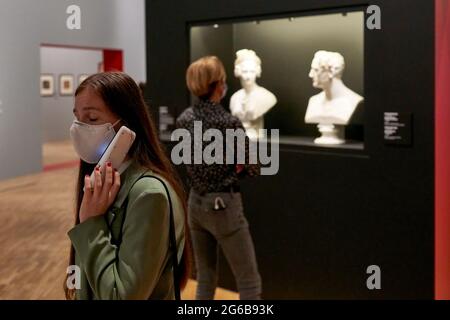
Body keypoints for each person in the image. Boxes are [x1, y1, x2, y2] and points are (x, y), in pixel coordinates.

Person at [64, 72, 190, 300]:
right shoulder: (103, 184)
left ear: (126, 124)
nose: (79, 128)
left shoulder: (149, 195)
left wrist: (92, 224)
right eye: (77, 118)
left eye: (91, 119)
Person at [176, 56, 262, 300]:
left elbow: (186, 161)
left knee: (205, 277)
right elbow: (252, 167)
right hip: (225, 206)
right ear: (217, 85)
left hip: (195, 205)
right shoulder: (229, 122)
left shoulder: (184, 119)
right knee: (249, 282)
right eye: (223, 80)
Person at [305, 50, 364, 145]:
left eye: (316, 70)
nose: (310, 74)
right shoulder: (313, 101)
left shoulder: (353, 101)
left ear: (332, 71)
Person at [230, 49, 277, 140]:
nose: (248, 76)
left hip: (256, 138)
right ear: (238, 72)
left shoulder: (267, 96)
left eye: (251, 72)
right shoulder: (235, 97)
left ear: (257, 71)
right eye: (245, 72)